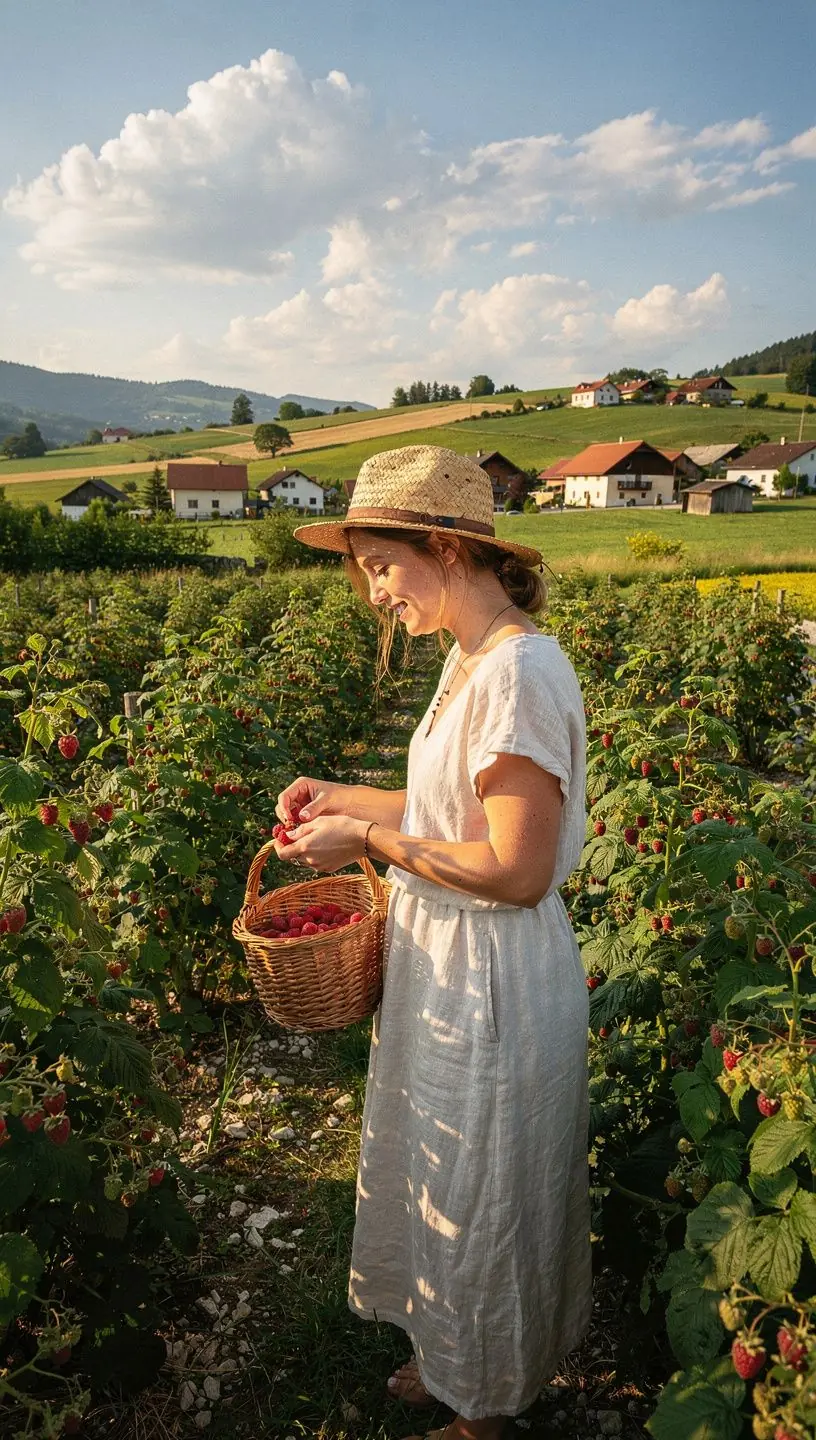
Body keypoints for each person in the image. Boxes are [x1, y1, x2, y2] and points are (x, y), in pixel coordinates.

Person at [272, 445, 592, 1440]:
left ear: (447, 547)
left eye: (380, 564)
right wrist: (340, 796)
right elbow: (448, 809)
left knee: (487, 1185)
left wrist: (366, 840)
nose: (371, 593)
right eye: (363, 567)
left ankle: (487, 1406)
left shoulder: (520, 673)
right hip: (447, 958)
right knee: (439, 1164)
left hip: (494, 974)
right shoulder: (471, 658)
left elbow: (515, 869)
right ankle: (450, 1352)